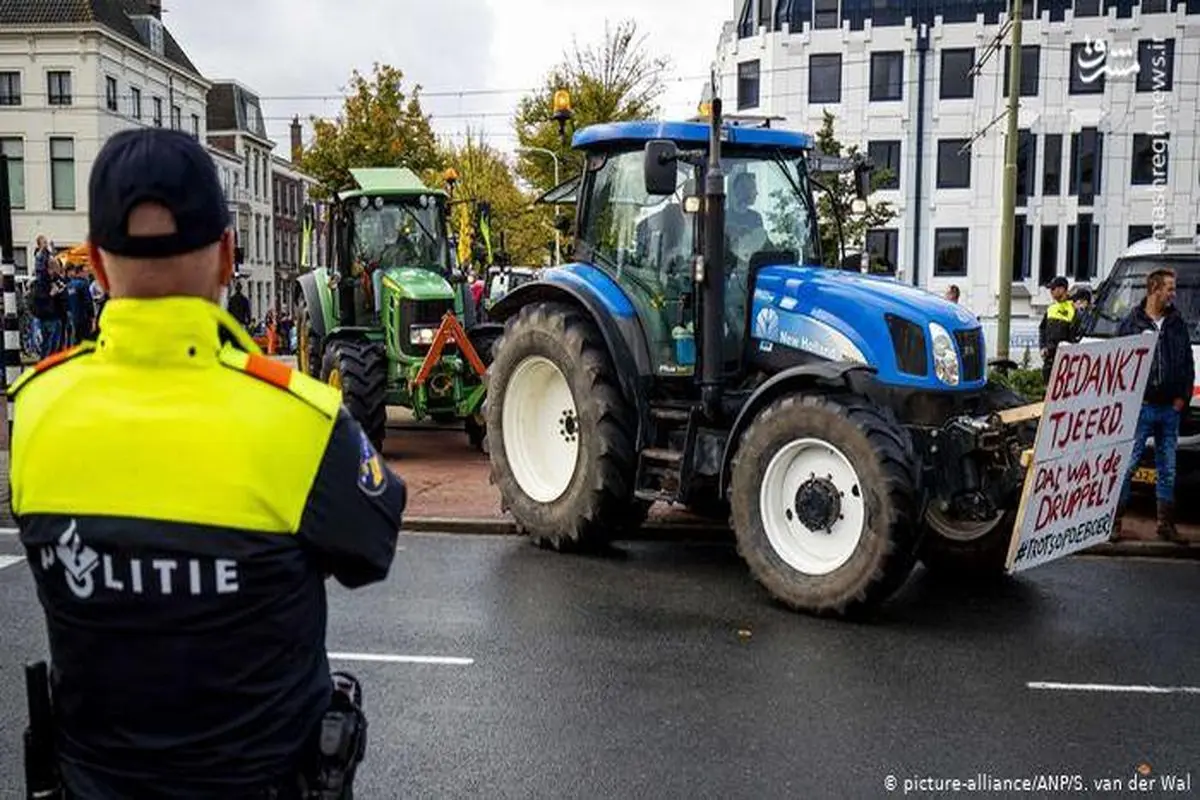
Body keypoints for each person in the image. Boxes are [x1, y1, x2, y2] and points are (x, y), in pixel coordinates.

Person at [7, 127, 406, 798]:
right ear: (227, 256)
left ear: (98, 268)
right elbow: (372, 551)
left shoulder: (36, 411)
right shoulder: (301, 422)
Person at [1112, 267, 1195, 542]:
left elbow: (1187, 364)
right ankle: (1114, 523)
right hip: (1142, 408)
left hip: (1169, 409)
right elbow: (1118, 364)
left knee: (1167, 467)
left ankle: (1165, 525)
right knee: (1129, 465)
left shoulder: (1177, 323)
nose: (1174, 294)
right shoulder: (1131, 325)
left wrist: (1181, 398)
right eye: (1169, 288)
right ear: (1154, 289)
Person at [1039, 275, 1079, 382]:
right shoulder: (1051, 308)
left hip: (1067, 360)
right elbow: (1042, 329)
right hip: (1050, 359)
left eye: (1053, 289)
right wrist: (1042, 346)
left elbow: (1077, 334)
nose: (1051, 292)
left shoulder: (1074, 308)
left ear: (1062, 289)